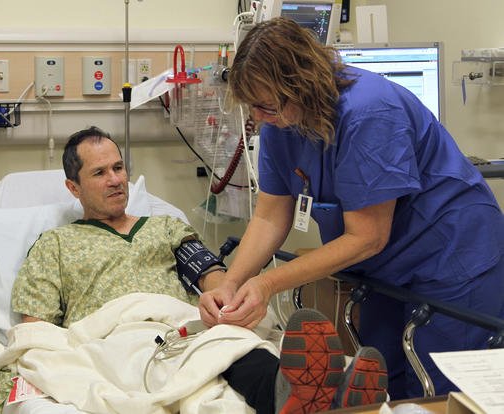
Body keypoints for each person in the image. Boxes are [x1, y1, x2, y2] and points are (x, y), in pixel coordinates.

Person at [0, 126, 387, 414]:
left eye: (119, 167)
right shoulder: (56, 244)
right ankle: (305, 395)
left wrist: (223, 304)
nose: (116, 180)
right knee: (192, 356)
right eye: (100, 173)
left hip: (184, 325)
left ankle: (304, 391)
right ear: (73, 188)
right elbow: (37, 331)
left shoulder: (166, 227)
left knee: (228, 340)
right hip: (118, 337)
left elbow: (213, 279)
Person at [198, 17, 504, 401]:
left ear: (302, 85)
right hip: (386, 269)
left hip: (453, 256)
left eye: (266, 106)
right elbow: (269, 215)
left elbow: (367, 236)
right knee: (383, 383)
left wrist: (268, 283)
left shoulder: (369, 113)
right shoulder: (279, 123)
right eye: (253, 108)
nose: (258, 118)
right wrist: (232, 282)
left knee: (442, 391)